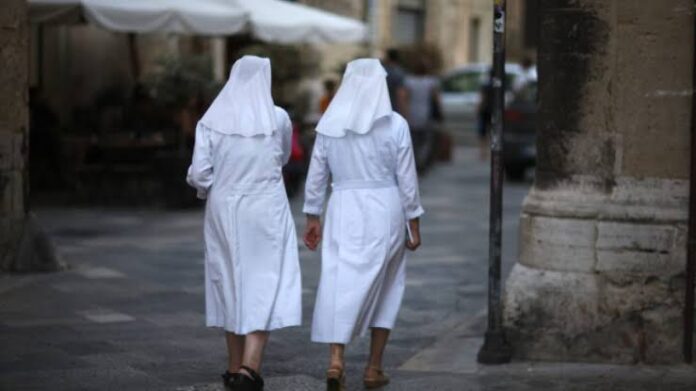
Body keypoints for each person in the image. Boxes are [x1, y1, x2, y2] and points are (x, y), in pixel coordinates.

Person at [303, 58, 424, 390]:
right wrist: (414, 220)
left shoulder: (330, 123)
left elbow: (316, 174)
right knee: (387, 285)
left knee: (337, 279)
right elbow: (407, 178)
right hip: (386, 208)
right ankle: (373, 367)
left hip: (342, 207)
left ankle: (335, 361)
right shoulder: (395, 124)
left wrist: (313, 215)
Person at [186, 55, 302, 391]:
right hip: (266, 205)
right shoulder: (277, 117)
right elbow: (281, 157)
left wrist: (213, 186)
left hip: (224, 207)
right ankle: (249, 368)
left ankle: (234, 366)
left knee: (230, 280)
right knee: (264, 280)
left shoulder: (211, 120)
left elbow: (200, 174)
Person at [404, 58, 443, 172]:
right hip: (426, 114)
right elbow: (436, 99)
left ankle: (414, 162)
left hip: (412, 114)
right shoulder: (431, 81)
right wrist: (440, 112)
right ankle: (422, 161)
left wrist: (405, 113)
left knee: (413, 141)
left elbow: (406, 98)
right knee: (426, 141)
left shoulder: (409, 81)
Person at [382, 48, 409, 116]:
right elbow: (401, 95)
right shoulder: (399, 72)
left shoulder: (382, 72)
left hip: (382, 109)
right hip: (394, 110)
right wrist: (404, 112)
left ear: (388, 57)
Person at [477, 69, 495, 160]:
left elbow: (482, 99)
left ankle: (483, 153)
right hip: (494, 110)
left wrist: (478, 108)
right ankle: (491, 151)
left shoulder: (485, 85)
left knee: (483, 133)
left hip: (485, 110)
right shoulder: (498, 86)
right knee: (493, 131)